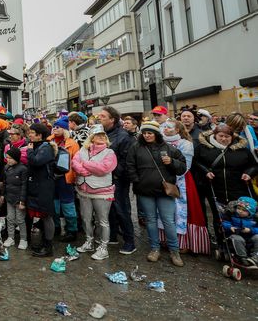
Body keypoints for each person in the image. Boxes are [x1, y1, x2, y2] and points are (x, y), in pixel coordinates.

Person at [127, 120, 187, 267]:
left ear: (156, 134)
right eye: (145, 133)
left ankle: (174, 251)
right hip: (144, 190)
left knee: (168, 221)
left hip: (164, 191)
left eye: (150, 133)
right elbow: (130, 165)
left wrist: (171, 162)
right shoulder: (136, 147)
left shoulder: (169, 148)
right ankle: (155, 249)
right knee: (151, 220)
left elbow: (182, 167)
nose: (147, 135)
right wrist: (137, 180)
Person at [193, 123, 257, 245]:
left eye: (227, 137)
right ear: (215, 135)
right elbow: (195, 163)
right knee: (219, 217)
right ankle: (222, 243)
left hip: (238, 189)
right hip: (215, 189)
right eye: (221, 136)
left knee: (240, 216)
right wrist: (205, 171)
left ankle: (244, 244)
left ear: (232, 137)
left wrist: (249, 173)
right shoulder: (203, 148)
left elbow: (254, 165)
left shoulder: (242, 149)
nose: (224, 139)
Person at [160, 120, 210, 255]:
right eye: (164, 127)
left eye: (169, 127)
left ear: (177, 130)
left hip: (181, 181)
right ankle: (166, 238)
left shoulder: (186, 144)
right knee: (164, 210)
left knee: (181, 211)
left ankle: (184, 242)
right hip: (163, 180)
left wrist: (172, 180)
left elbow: (185, 166)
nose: (166, 129)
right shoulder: (160, 143)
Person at [72, 124, 117, 260]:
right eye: (98, 135)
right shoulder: (83, 150)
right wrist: (83, 169)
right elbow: (74, 163)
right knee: (86, 219)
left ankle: (104, 247)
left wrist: (85, 164)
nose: (102, 137)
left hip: (102, 191)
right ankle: (89, 242)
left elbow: (104, 168)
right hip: (83, 190)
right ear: (91, 137)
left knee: (102, 221)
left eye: (103, 135)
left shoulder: (110, 153)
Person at [98, 106, 136, 254]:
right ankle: (112, 235)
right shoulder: (103, 134)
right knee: (109, 209)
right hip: (104, 178)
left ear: (112, 119)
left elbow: (127, 159)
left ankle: (129, 241)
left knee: (121, 209)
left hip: (118, 178)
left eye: (102, 116)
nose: (99, 118)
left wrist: (115, 173)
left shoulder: (123, 136)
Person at [27, 123, 57, 257]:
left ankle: (48, 247)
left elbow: (36, 161)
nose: (30, 135)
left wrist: (29, 151)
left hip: (44, 187)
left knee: (46, 216)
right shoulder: (39, 146)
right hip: (38, 185)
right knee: (42, 216)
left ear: (40, 135)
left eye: (32, 132)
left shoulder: (45, 147)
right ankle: (42, 243)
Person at [48, 116, 80, 243]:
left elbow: (76, 162)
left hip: (65, 179)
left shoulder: (72, 144)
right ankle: (55, 227)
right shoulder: (49, 141)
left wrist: (76, 178)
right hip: (51, 178)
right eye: (54, 126)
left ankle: (72, 230)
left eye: (58, 127)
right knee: (54, 206)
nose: (55, 129)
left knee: (68, 206)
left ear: (65, 129)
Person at [2, 147, 28, 249]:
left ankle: (23, 239)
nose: (8, 160)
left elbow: (24, 186)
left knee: (20, 219)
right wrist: (3, 195)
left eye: (10, 158)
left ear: (16, 158)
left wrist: (22, 201)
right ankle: (11, 237)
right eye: (7, 157)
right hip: (9, 198)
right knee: (10, 218)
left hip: (19, 199)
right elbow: (5, 183)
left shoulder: (23, 169)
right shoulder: (6, 168)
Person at [221, 196, 258, 266]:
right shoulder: (231, 215)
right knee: (238, 239)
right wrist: (230, 227)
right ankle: (243, 258)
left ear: (251, 212)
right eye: (238, 208)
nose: (240, 211)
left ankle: (255, 257)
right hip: (235, 235)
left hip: (249, 236)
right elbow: (224, 222)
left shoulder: (255, 219)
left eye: (244, 210)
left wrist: (250, 230)